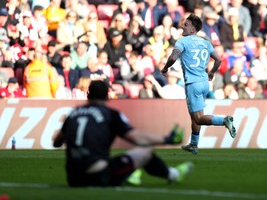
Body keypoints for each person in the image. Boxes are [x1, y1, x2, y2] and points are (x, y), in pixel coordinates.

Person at [53, 80, 192, 187]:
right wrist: (167, 139)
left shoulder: (74, 113)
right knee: (144, 153)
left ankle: (131, 173)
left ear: (88, 95)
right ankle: (173, 174)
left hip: (73, 179)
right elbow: (138, 139)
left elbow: (56, 142)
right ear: (107, 96)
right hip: (97, 175)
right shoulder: (110, 114)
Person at [161, 14, 237, 155]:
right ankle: (193, 144)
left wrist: (165, 68)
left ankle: (224, 120)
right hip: (204, 82)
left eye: (186, 24)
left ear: (192, 29)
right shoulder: (205, 42)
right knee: (195, 115)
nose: (183, 26)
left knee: (198, 118)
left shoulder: (182, 42)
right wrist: (212, 72)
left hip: (193, 84)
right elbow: (219, 60)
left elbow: (173, 57)